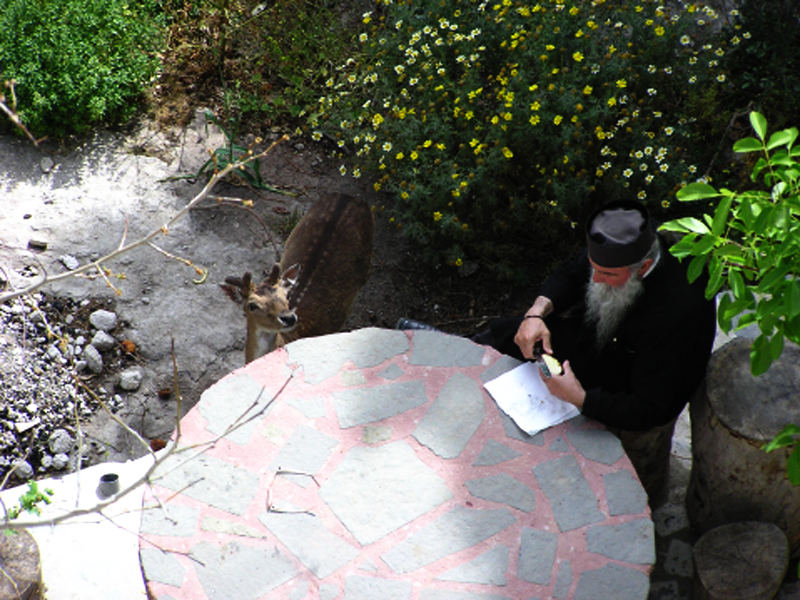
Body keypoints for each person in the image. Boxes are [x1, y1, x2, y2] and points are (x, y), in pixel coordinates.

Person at [471, 199, 717, 499]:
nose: (595, 280)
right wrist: (536, 313)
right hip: (598, 341)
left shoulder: (678, 313)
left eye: (608, 275)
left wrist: (579, 398)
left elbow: (652, 407)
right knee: (507, 334)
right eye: (595, 267)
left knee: (606, 478)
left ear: (644, 267)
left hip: (638, 380)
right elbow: (571, 273)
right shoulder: (624, 241)